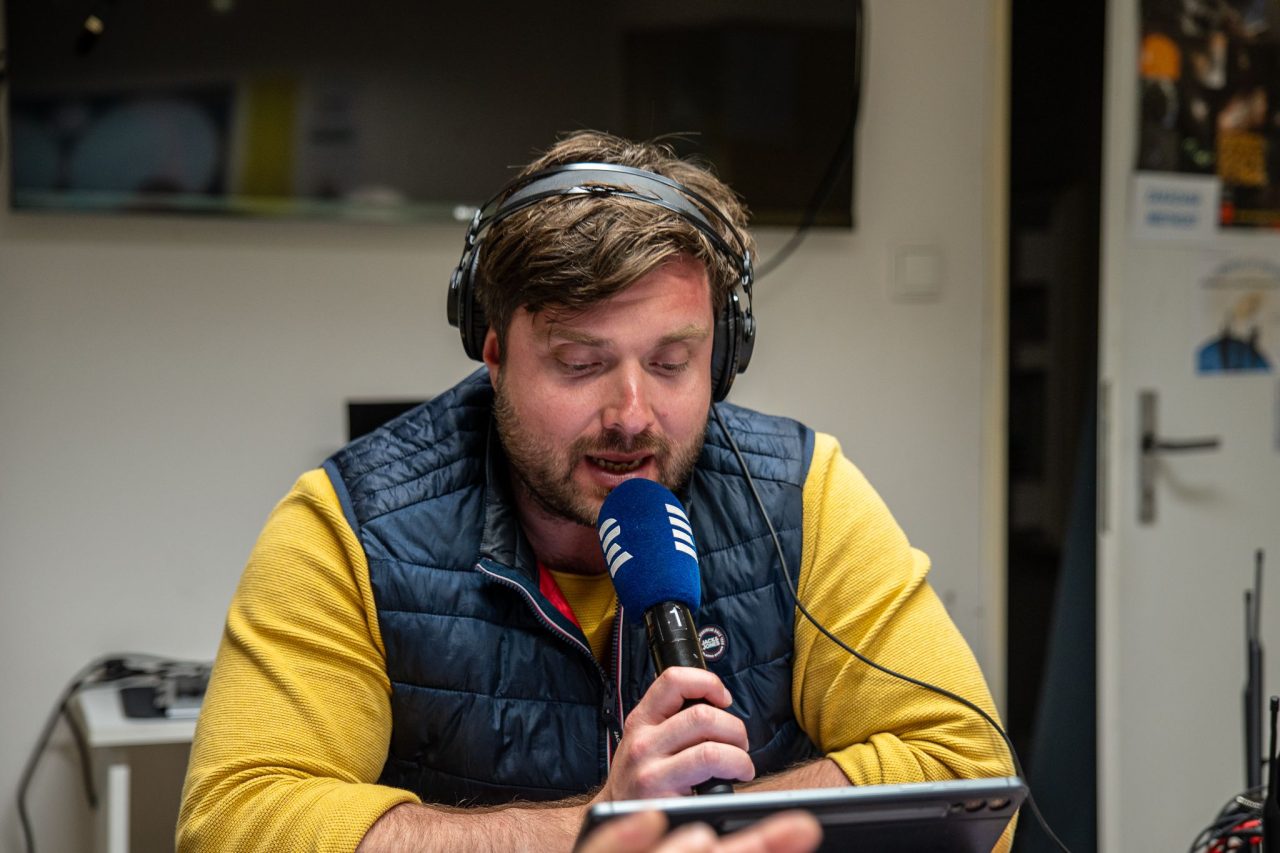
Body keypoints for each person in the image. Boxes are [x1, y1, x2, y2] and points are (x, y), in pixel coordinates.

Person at [176, 131, 1013, 852]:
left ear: (723, 358)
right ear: (494, 353)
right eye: (581, 363)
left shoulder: (803, 493)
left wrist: (704, 829)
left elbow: (965, 769)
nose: (632, 414)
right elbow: (236, 823)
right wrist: (597, 826)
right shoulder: (348, 526)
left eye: (672, 361)